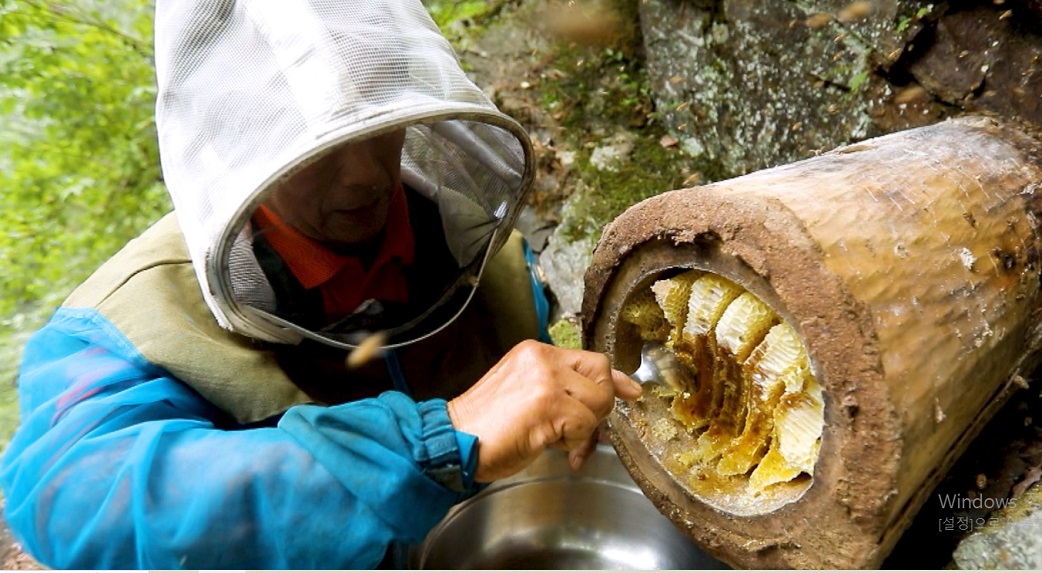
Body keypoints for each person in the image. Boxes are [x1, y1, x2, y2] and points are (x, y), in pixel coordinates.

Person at [0, 1, 641, 569]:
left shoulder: (483, 256)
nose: (363, 176)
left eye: (377, 120)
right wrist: (437, 439)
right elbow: (73, 502)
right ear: (236, 146)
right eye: (312, 149)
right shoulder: (129, 323)